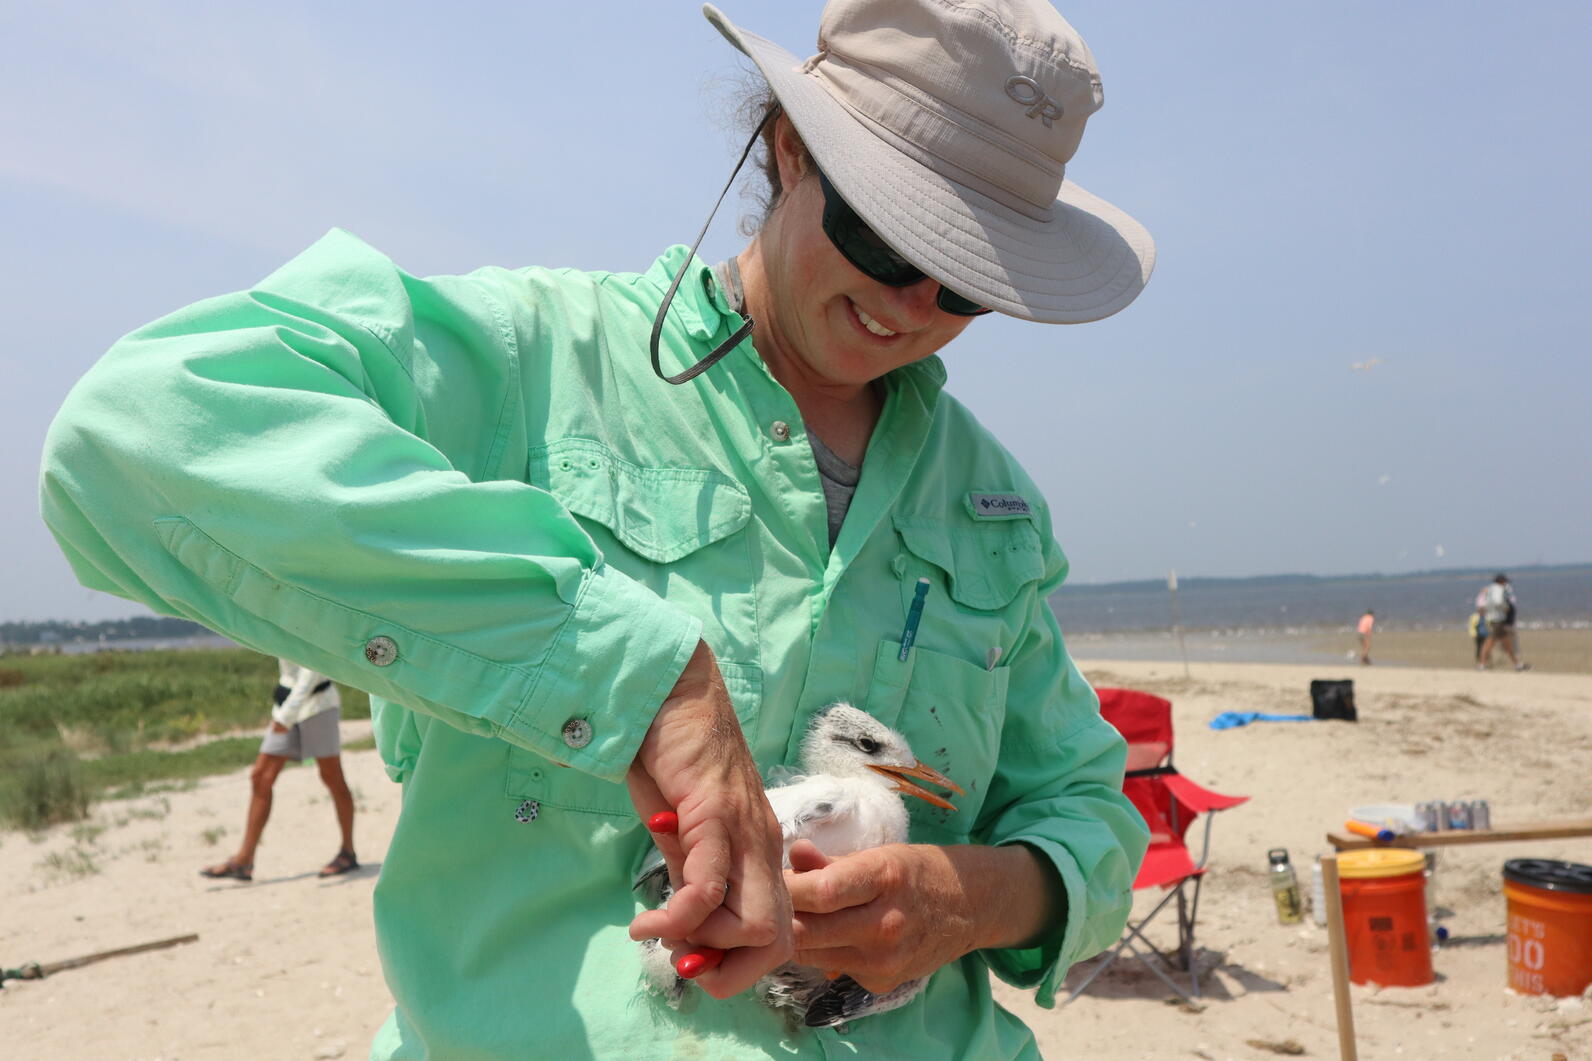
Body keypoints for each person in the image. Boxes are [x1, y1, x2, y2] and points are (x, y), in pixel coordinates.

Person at [39, 1, 1153, 1056]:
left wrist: (973, 899)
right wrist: (642, 679)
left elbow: (1085, 808)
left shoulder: (987, 497)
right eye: (885, 238)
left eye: (963, 278)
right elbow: (138, 430)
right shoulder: (537, 362)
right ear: (785, 150)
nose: (914, 303)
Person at [200, 658, 358, 881]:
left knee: (332, 777)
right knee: (260, 777)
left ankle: (347, 852)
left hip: (318, 706)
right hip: (286, 705)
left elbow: (313, 668)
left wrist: (285, 717)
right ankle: (244, 860)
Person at [1476, 573, 1528, 671]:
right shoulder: (1498, 589)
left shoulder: (1489, 589)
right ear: (1501, 581)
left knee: (1493, 642)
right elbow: (1497, 601)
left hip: (1492, 618)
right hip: (1497, 620)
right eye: (1505, 582)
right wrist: (1505, 608)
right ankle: (1517, 664)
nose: (1506, 584)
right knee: (1502, 642)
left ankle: (1482, 664)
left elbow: (1485, 603)